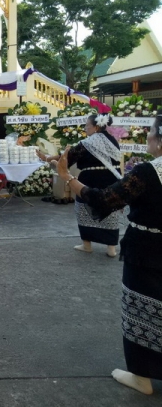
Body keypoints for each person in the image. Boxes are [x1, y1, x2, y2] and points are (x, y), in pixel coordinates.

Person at [57, 109, 162, 396]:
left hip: (148, 253)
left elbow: (104, 200)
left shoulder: (148, 172)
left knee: (143, 309)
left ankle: (142, 377)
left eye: (152, 132)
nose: (148, 137)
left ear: (159, 140)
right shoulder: (127, 156)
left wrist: (67, 177)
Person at [38, 114, 121, 257]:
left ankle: (87, 245)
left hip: (90, 180)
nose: (85, 128)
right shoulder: (113, 140)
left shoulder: (88, 143)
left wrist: (47, 158)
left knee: (84, 209)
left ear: (96, 127)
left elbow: (67, 158)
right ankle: (111, 249)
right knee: (110, 210)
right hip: (112, 180)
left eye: (87, 126)